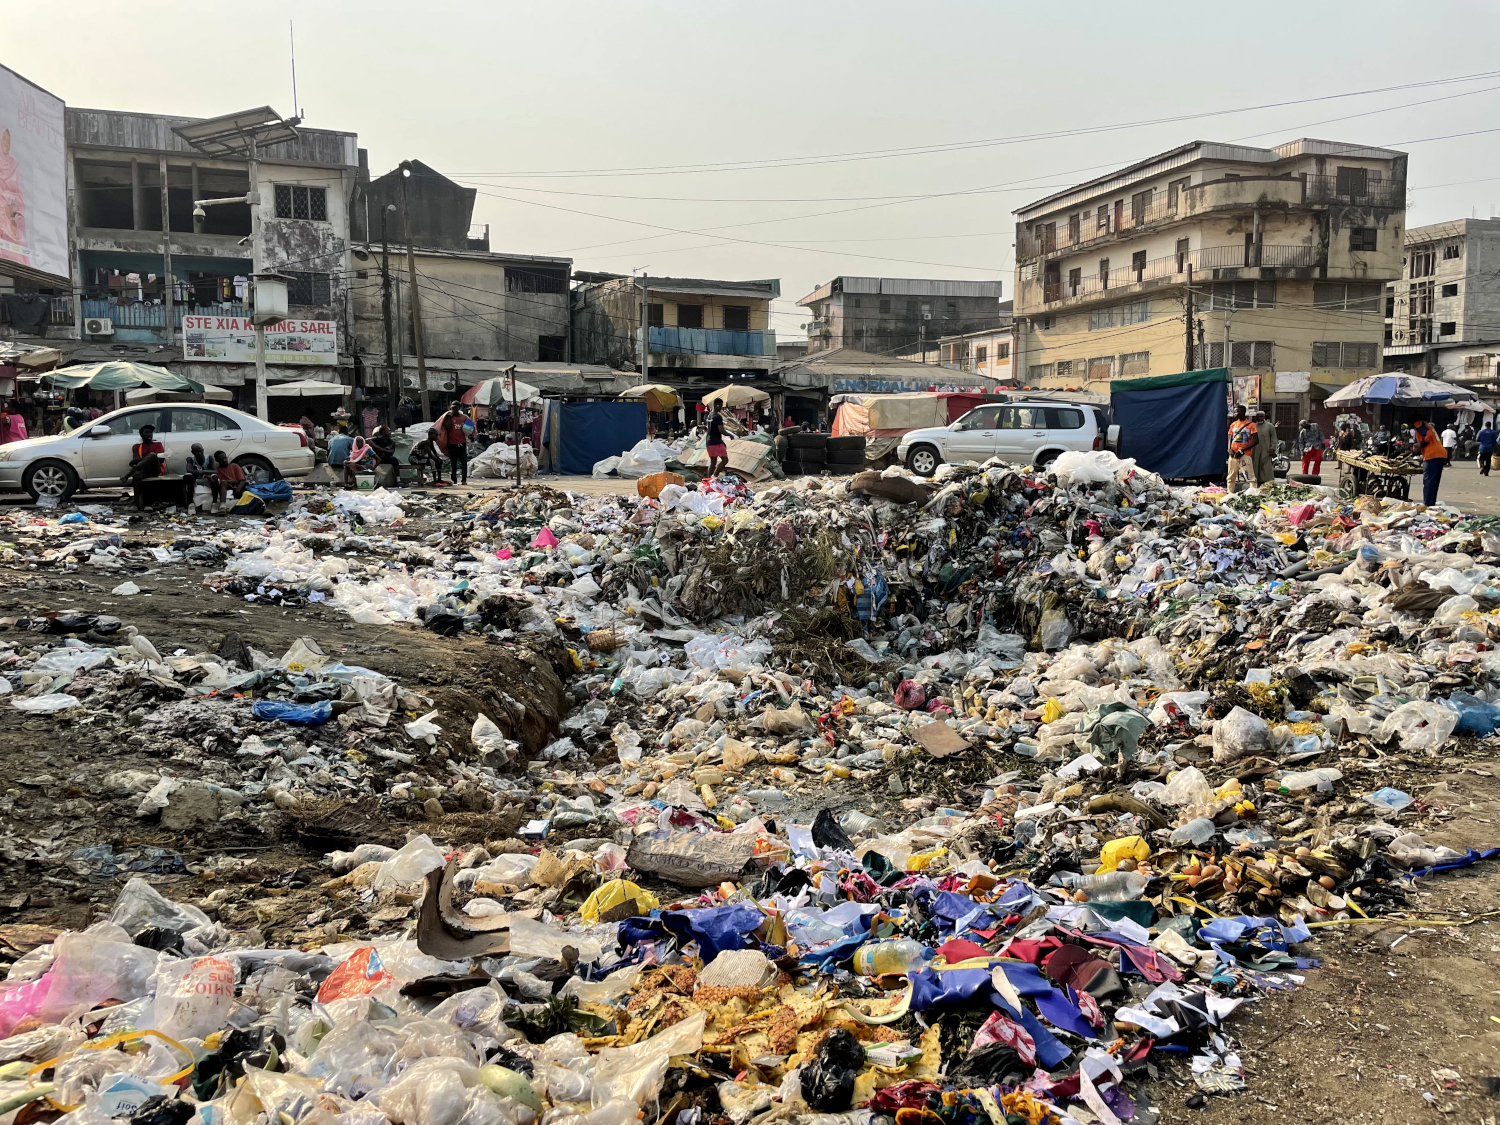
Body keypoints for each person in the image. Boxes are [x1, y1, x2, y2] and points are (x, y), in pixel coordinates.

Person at [122, 424, 166, 511]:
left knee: (153, 455)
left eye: (151, 432)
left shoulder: (157, 444)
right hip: (143, 470)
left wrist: (146, 459)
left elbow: (161, 460)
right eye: (146, 432)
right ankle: (136, 504)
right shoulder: (137, 447)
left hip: (155, 469)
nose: (149, 434)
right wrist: (145, 460)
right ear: (141, 435)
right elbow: (134, 461)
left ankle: (148, 504)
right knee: (137, 476)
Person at [1414, 418, 1447, 505]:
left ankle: (1428, 504)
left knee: (1429, 481)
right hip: (1439, 454)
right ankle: (1431, 503)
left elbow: (1429, 435)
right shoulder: (1428, 425)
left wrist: (1420, 445)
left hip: (1433, 455)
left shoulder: (1418, 423)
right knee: (1433, 482)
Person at [435, 403, 470, 484]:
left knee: (464, 461)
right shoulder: (449, 417)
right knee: (453, 463)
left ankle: (464, 480)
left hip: (462, 443)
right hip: (451, 443)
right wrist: (449, 417)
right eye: (452, 408)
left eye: (455, 408)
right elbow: (446, 427)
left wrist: (470, 434)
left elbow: (470, 430)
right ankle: (454, 479)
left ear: (458, 408)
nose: (453, 410)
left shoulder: (464, 417)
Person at [1226, 405, 1257, 493]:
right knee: (1230, 477)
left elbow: (1256, 441)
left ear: (1243, 413)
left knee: (1250, 478)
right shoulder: (1233, 425)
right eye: (1234, 412)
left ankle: (1253, 495)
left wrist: (1242, 451)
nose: (1235, 413)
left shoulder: (1251, 425)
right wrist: (1229, 449)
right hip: (1233, 455)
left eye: (1237, 412)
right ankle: (1229, 494)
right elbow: (1230, 438)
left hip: (1245, 455)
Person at [182, 443, 219, 509]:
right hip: (196, 479)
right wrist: (205, 474)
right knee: (188, 477)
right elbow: (188, 470)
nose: (199, 453)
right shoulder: (190, 459)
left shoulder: (209, 458)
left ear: (203, 450)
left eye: (201, 451)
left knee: (215, 478)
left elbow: (215, 471)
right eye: (197, 452)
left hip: (207, 480)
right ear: (192, 452)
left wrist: (202, 472)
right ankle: (191, 504)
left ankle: (214, 503)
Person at [1251, 410, 1277, 486]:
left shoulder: (1270, 426)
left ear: (1264, 417)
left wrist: (1273, 448)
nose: (1260, 418)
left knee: (1266, 467)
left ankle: (1268, 483)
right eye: (1258, 416)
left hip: (1266, 450)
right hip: (1255, 450)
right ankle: (1257, 482)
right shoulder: (1253, 426)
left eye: (1261, 416)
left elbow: (1274, 438)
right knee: (1255, 465)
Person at [706, 404, 729, 477]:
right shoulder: (718, 417)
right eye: (721, 406)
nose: (721, 408)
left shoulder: (710, 415)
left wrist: (722, 441)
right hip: (716, 442)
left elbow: (712, 430)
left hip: (709, 441)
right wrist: (730, 435)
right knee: (725, 460)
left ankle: (709, 479)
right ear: (717, 405)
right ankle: (715, 475)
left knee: (713, 462)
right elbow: (721, 430)